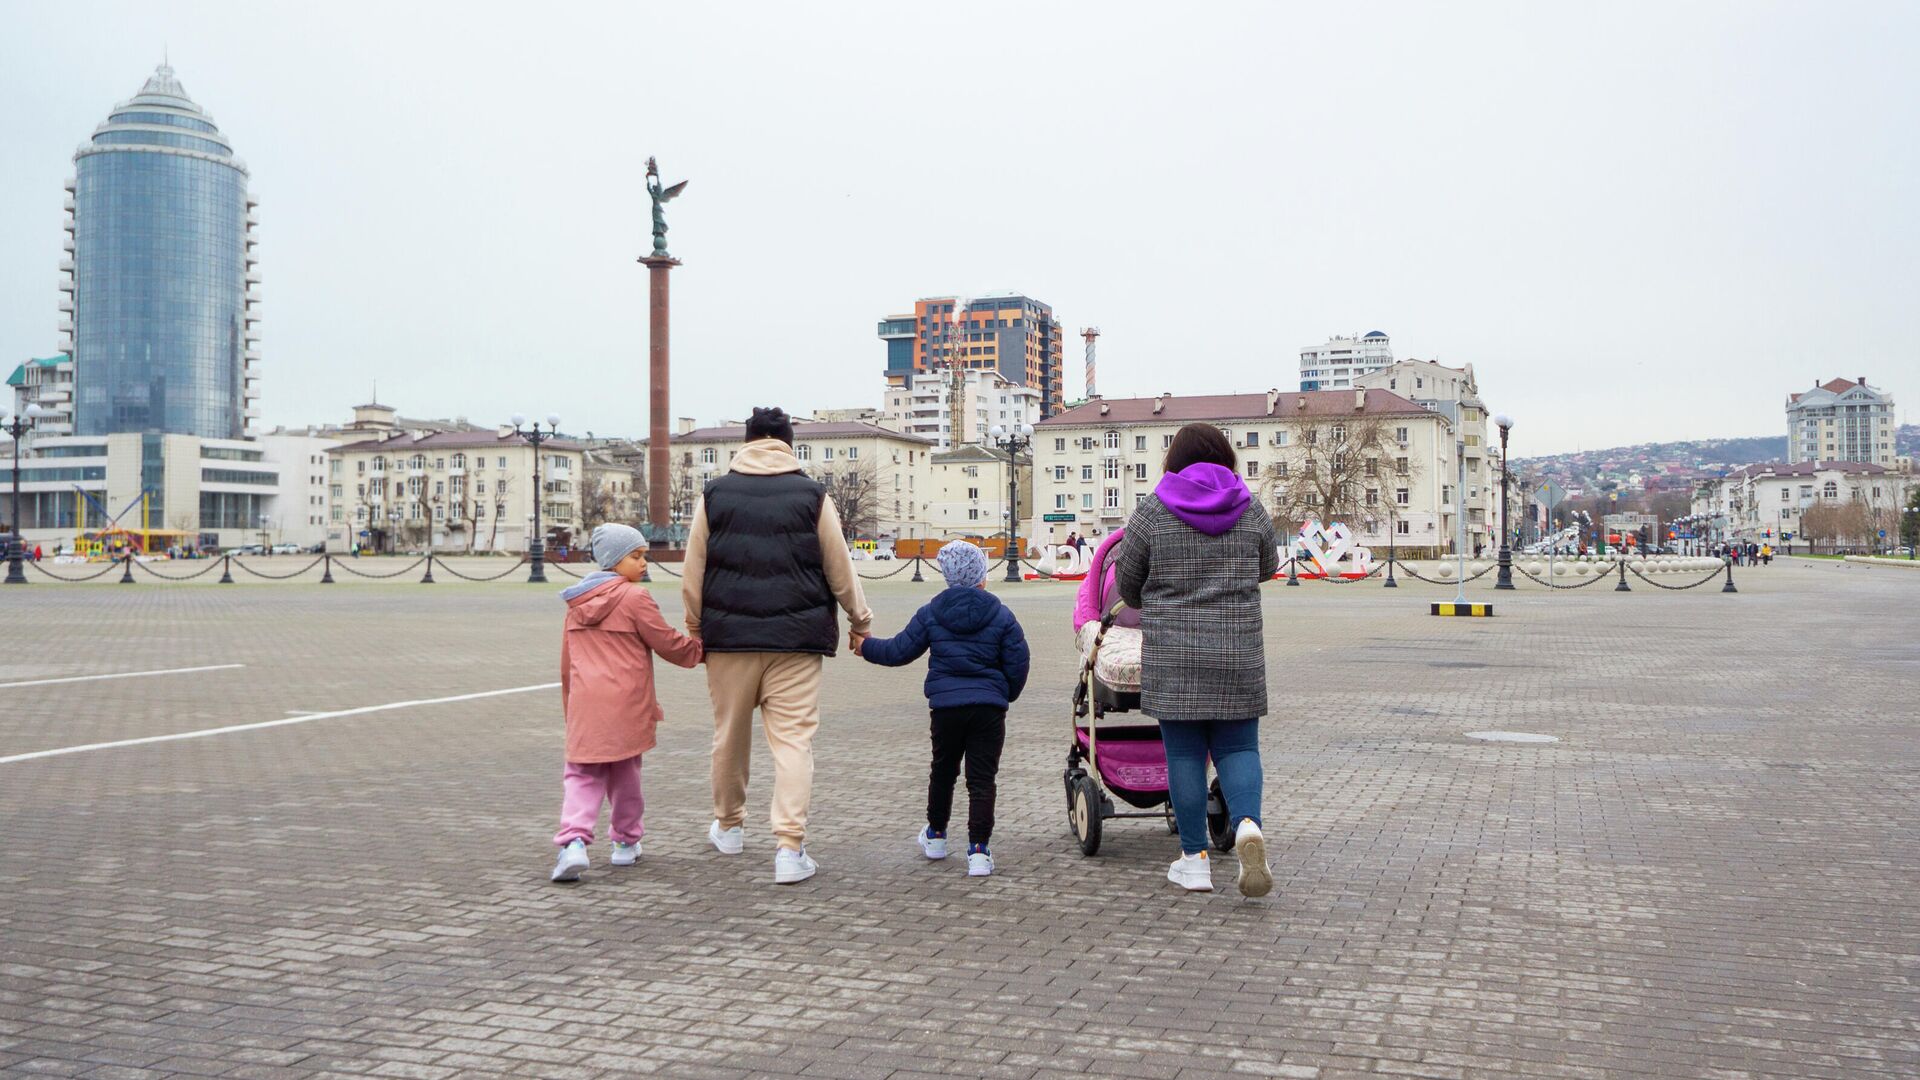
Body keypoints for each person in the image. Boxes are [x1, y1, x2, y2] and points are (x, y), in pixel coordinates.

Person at [682, 406, 874, 885]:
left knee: (729, 735)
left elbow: (694, 568)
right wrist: (860, 620)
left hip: (729, 640)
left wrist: (694, 628)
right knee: (793, 742)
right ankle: (789, 848)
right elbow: (839, 567)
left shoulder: (715, 494)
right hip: (796, 641)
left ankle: (728, 828)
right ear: (788, 443)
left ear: (745, 442)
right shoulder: (813, 495)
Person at [1116, 423, 1278, 897]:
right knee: (1239, 749)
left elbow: (1128, 584)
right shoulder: (1250, 508)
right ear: (1227, 456)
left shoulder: (1152, 511)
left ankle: (1194, 860)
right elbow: (1268, 566)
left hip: (1174, 655)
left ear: (1173, 460)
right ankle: (1247, 824)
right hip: (1238, 651)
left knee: (1185, 755)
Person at [855, 540, 1029, 877]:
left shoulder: (932, 612)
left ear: (947, 576)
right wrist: (1005, 694)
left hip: (946, 707)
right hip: (988, 709)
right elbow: (1018, 661)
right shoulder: (1001, 614)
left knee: (943, 771)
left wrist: (866, 647)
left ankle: (936, 836)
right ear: (981, 577)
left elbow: (899, 650)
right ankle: (979, 850)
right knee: (982, 780)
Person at [551, 524, 703, 882]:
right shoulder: (635, 598)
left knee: (582, 775)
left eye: (644, 555)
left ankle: (573, 842)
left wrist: (569, 708)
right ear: (613, 561)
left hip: (586, 703)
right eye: (636, 556)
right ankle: (624, 842)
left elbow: (566, 664)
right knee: (625, 774)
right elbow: (666, 642)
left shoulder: (576, 603)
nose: (644, 563)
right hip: (626, 701)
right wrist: (700, 649)